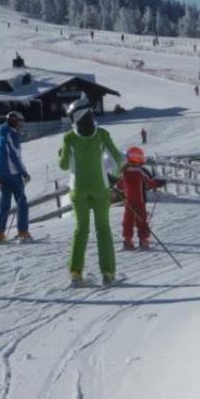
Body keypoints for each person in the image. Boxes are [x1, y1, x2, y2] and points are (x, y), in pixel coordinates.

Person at [57, 98, 124, 285]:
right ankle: (108, 273)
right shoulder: (102, 135)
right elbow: (119, 158)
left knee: (81, 230)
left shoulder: (69, 138)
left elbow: (63, 166)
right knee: (103, 230)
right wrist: (115, 177)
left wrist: (61, 155)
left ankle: (75, 273)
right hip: (101, 189)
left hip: (78, 190)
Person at [0, 111, 33, 243]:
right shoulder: (10, 134)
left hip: (1, 174)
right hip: (12, 174)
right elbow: (15, 156)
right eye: (20, 122)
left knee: (4, 205)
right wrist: (24, 172)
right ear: (15, 122)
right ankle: (23, 233)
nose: (21, 125)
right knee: (22, 202)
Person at [118, 146, 166, 250]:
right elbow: (151, 183)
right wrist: (159, 183)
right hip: (140, 200)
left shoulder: (124, 171)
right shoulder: (140, 171)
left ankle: (127, 240)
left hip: (128, 201)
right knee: (142, 220)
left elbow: (120, 185)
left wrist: (120, 189)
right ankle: (143, 240)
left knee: (128, 220)